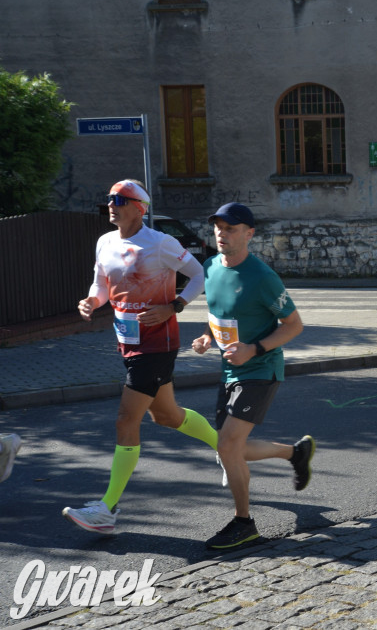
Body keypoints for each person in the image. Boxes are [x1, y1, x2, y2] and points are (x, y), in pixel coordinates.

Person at [63, 180, 215, 534]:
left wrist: (174, 306)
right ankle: (226, 447)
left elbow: (198, 275)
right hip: (127, 341)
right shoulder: (105, 242)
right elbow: (101, 285)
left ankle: (108, 508)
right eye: (109, 199)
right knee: (167, 415)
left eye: (119, 200)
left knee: (125, 420)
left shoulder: (160, 243)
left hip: (157, 344)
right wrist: (92, 301)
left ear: (139, 207)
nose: (111, 205)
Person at [191, 202, 313, 550]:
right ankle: (295, 454)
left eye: (230, 228)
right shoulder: (211, 266)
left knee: (228, 445)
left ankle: (244, 523)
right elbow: (219, 312)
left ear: (249, 234)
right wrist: (206, 337)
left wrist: (254, 349)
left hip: (260, 368)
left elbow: (294, 325)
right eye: (218, 227)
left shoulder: (261, 277)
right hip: (230, 369)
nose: (221, 233)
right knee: (231, 449)